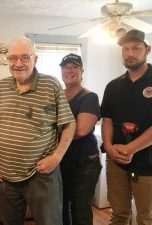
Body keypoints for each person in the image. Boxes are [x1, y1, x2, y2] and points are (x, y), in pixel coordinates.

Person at [0, 37, 76, 225]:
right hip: (7, 174)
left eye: (24, 58)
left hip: (41, 176)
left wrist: (56, 157)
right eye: (12, 58)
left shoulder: (50, 85)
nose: (18, 64)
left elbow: (69, 124)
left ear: (35, 59)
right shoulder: (1, 86)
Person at [101, 29, 152, 225]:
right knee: (119, 215)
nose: (130, 53)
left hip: (148, 164)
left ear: (147, 49)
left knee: (146, 217)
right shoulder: (113, 86)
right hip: (117, 163)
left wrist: (131, 148)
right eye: (125, 49)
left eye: (136, 48)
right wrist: (108, 147)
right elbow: (107, 119)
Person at [59, 54, 102, 225]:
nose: (69, 71)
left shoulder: (89, 97)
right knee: (60, 206)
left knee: (80, 210)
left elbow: (82, 130)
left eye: (74, 67)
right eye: (65, 67)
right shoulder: (58, 95)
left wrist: (50, 138)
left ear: (82, 71)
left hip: (84, 163)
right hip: (60, 162)